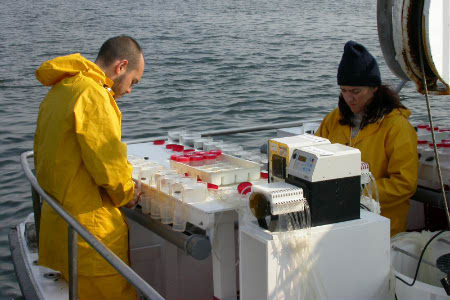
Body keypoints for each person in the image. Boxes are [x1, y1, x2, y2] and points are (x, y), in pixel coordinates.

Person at [33, 35, 144, 300]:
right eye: (133, 81)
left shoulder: (63, 88)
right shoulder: (93, 95)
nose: (129, 90)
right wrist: (129, 194)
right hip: (90, 235)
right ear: (121, 66)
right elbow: (108, 163)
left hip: (60, 224)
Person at [316, 40, 418, 237]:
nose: (349, 98)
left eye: (356, 91)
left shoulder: (396, 126)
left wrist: (354, 192)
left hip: (383, 225)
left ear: (374, 88)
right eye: (344, 90)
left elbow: (404, 184)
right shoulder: (333, 119)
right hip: (338, 218)